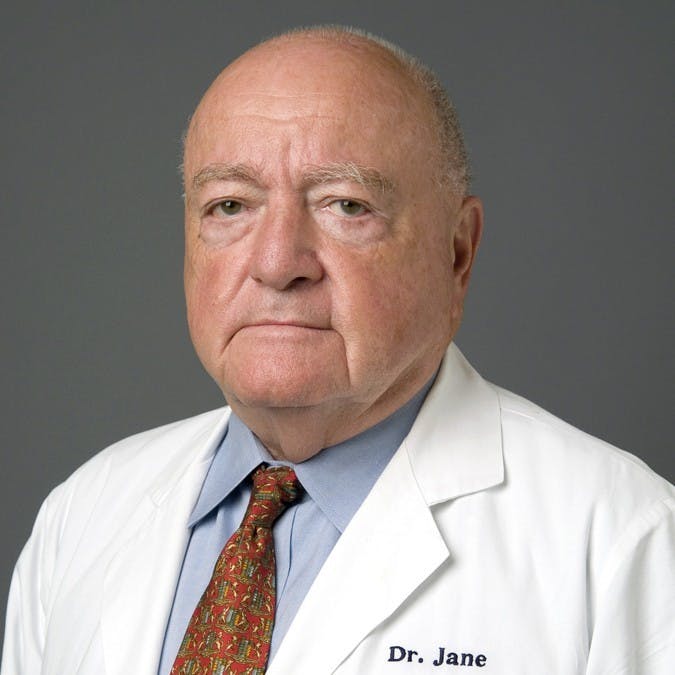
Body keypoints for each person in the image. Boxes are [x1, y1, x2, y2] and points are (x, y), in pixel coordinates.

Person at [2, 25, 673, 675]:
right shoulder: (82, 515)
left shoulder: (622, 542)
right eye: (230, 205)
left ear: (457, 252)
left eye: (346, 205)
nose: (277, 263)